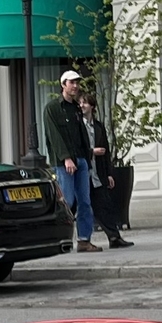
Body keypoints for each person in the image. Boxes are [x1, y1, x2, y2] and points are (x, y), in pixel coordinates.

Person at [44, 70, 100, 253]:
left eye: (77, 82)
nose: (75, 86)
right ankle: (58, 238)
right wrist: (66, 158)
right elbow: (54, 136)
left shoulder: (76, 108)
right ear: (63, 85)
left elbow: (81, 135)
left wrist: (87, 156)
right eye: (71, 82)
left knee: (85, 201)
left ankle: (84, 240)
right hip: (64, 163)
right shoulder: (52, 108)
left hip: (81, 160)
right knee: (66, 200)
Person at [79, 95, 131, 248]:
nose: (82, 105)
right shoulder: (78, 126)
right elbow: (76, 148)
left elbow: (106, 151)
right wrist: (91, 152)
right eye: (80, 103)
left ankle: (114, 238)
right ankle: (81, 240)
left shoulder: (99, 126)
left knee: (104, 204)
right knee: (79, 205)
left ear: (92, 107)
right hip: (82, 172)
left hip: (98, 172)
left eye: (85, 103)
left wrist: (109, 173)